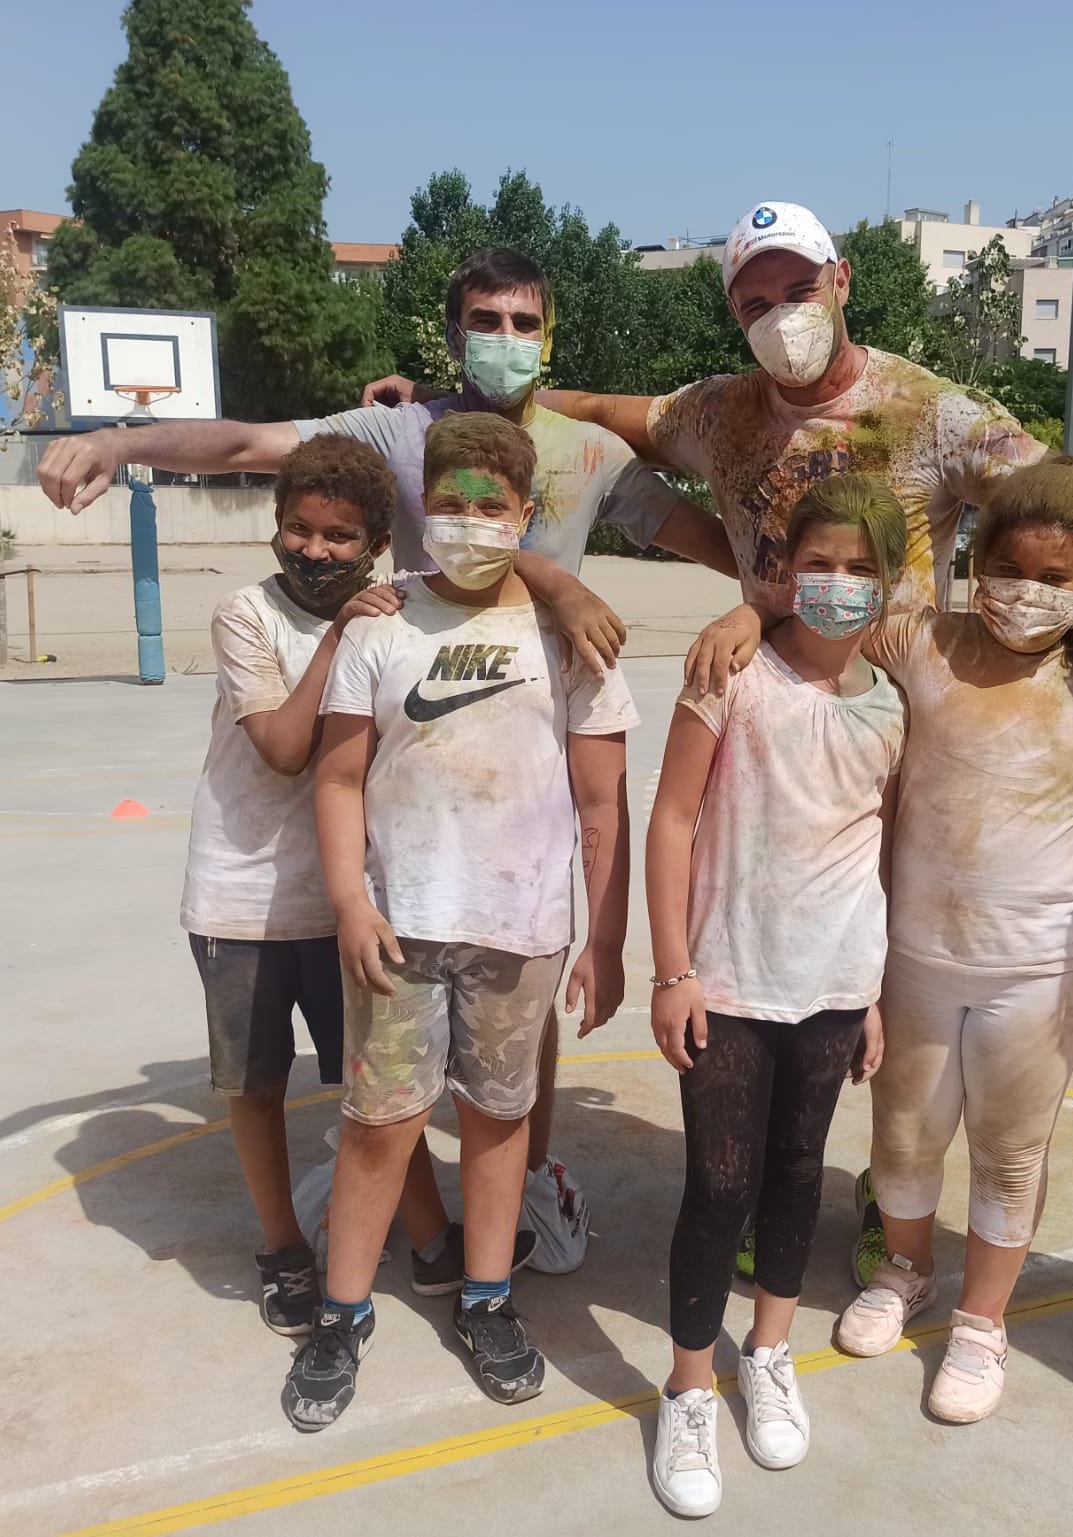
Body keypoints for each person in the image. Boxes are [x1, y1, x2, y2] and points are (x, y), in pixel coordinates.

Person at [38, 248, 714, 1272]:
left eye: (524, 322)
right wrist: (121, 439)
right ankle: (385, 1187)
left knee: (522, 996)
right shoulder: (398, 430)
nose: (504, 338)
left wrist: (783, 599)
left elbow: (701, 532)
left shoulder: (589, 452)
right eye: (484, 319)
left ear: (550, 336)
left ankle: (530, 1176)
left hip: (523, 758)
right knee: (396, 1003)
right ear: (451, 332)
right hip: (410, 754)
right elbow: (250, 443)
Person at [288, 413, 636, 1432]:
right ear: (420, 507)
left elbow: (603, 803)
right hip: (398, 928)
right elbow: (338, 775)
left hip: (519, 931)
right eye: (450, 501)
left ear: (525, 515)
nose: (469, 519)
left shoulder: (569, 635)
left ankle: (487, 1297)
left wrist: (603, 940)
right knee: (380, 1124)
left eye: (492, 505)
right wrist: (350, 899)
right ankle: (341, 1312)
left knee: (498, 1120)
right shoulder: (380, 625)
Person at [797, 459, 1073, 1427]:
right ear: (975, 567)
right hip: (915, 952)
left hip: (1041, 960)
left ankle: (982, 1321)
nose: (1026, 591)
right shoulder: (921, 639)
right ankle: (906, 1270)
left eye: (1055, 577)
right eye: (1007, 568)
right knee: (904, 1131)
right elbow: (816, 619)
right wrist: (739, 619)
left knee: (1009, 1149)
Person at [366, 201, 1049, 618]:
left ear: (841, 281)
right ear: (734, 312)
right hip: (770, 699)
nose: (782, 318)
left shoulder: (936, 414)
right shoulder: (719, 413)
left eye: (800, 291)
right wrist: (441, 400)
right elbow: (595, 407)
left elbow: (1066, 505)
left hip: (897, 714)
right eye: (757, 304)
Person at [644, 475, 901, 1518]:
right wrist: (672, 968)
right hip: (730, 978)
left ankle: (769, 1351)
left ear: (890, 583)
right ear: (784, 570)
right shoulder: (732, 673)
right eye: (818, 563)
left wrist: (870, 992)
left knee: (799, 1171)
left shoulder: (891, 704)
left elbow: (874, 849)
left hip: (834, 982)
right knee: (719, 1184)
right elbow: (671, 818)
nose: (836, 583)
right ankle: (687, 1389)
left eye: (860, 568)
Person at [181, 433, 449, 1334]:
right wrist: (340, 635)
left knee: (378, 1084)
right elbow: (287, 748)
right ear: (276, 523)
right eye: (300, 527)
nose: (316, 549)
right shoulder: (246, 615)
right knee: (256, 1084)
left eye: (340, 536)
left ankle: (433, 1238)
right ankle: (283, 1248)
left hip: (353, 901)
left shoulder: (399, 613)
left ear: (376, 541)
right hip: (241, 896)